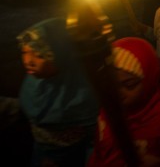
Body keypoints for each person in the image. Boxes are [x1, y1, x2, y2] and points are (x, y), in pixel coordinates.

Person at [88, 37, 160, 167]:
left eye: (130, 85)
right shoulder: (108, 110)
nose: (119, 92)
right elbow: (99, 154)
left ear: (148, 81)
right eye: (112, 84)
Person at [17, 18, 99, 167]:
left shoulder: (82, 95)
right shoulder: (31, 83)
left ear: (60, 55)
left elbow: (94, 141)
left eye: (40, 55)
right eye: (25, 52)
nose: (28, 61)